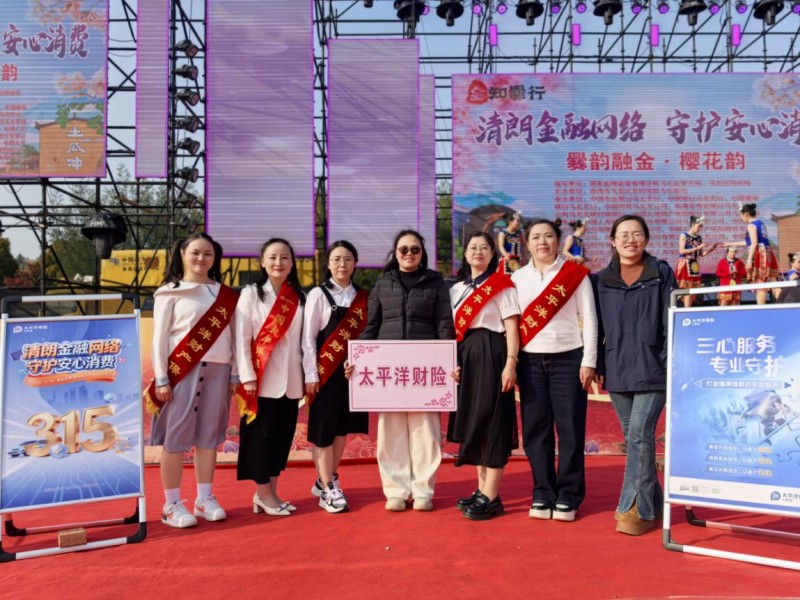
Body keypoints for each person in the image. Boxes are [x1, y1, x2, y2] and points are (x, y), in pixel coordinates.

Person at [359, 229, 455, 512]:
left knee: (426, 431)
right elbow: (371, 326)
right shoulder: (382, 284)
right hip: (389, 371)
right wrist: (359, 359)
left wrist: (450, 360)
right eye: (404, 249)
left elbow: (444, 324)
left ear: (422, 253)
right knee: (391, 432)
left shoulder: (436, 283)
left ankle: (423, 490)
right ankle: (396, 491)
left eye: (415, 249)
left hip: (425, 369)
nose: (409, 254)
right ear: (396, 253)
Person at [148, 232, 239, 529]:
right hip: (181, 371)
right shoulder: (169, 292)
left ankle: (204, 498)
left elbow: (235, 337)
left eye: (208, 254)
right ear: (183, 254)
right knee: (175, 439)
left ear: (215, 258)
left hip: (219, 371)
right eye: (196, 253)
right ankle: (171, 504)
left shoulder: (226, 295)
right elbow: (159, 338)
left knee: (208, 437)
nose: (202, 258)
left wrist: (235, 372)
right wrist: (162, 378)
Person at [593, 215, 677, 536]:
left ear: (646, 239)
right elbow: (595, 327)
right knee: (634, 439)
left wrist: (668, 361)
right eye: (624, 234)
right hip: (617, 368)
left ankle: (635, 509)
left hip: (653, 368)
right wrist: (598, 365)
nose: (630, 240)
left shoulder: (660, 273)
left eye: (637, 234)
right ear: (613, 241)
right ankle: (654, 499)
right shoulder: (601, 280)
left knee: (641, 434)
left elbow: (672, 319)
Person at [512, 219, 597, 523]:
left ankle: (568, 494)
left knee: (570, 429)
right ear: (527, 243)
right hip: (530, 361)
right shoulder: (517, 278)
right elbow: (512, 322)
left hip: (569, 359)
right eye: (536, 237)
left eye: (548, 236)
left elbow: (589, 317)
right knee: (536, 430)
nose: (542, 242)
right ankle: (543, 492)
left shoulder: (575, 275)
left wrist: (589, 360)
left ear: (558, 241)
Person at [447, 232, 520, 521]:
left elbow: (512, 326)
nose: (478, 251)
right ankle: (483, 491)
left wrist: (511, 363)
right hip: (467, 356)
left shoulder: (502, 285)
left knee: (492, 421)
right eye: (473, 247)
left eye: (484, 247)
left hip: (493, 353)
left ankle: (490, 495)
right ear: (465, 254)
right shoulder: (456, 289)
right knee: (475, 422)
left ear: (492, 254)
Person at [235, 238, 306, 517]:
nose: (279, 263)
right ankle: (264, 493)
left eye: (285, 257)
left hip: (291, 381)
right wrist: (247, 376)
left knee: (280, 438)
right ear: (263, 262)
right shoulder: (251, 294)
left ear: (292, 263)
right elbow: (242, 339)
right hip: (261, 379)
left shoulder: (298, 296)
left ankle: (271, 493)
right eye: (273, 257)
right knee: (260, 439)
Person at [302, 240, 369, 513]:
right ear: (328, 264)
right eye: (337, 259)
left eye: (348, 259)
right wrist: (310, 374)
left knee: (342, 430)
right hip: (325, 373)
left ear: (355, 263)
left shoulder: (362, 297)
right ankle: (328, 489)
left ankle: (326, 479)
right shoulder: (318, 294)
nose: (342, 264)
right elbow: (308, 339)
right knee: (324, 432)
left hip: (352, 375)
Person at [725, 203, 779, 304]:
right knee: (773, 281)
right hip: (768, 252)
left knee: (760, 283)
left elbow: (753, 244)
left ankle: (761, 309)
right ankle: (786, 304)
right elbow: (749, 242)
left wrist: (749, 260)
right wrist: (730, 243)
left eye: (741, 215)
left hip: (760, 254)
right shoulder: (760, 223)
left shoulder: (751, 225)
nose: (741, 218)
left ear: (745, 214)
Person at [675, 215, 718, 307]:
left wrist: (711, 249)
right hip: (685, 263)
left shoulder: (699, 238)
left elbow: (702, 254)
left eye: (701, 227)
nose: (700, 229)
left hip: (694, 265)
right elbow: (682, 251)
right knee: (687, 290)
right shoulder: (684, 235)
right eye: (699, 226)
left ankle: (688, 309)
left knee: (692, 291)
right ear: (693, 224)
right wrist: (697, 248)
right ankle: (686, 310)